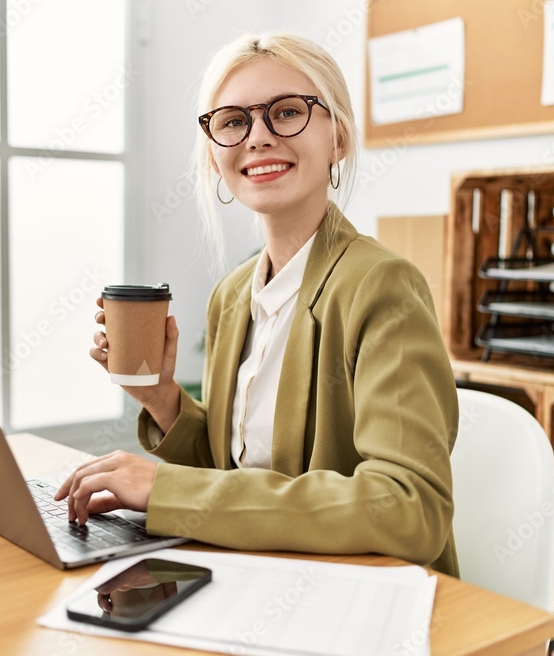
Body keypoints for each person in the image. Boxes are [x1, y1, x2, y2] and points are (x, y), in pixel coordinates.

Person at [55, 32, 459, 576]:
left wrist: (165, 487)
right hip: (253, 576)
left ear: (338, 138)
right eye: (232, 121)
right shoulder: (233, 296)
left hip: (358, 599)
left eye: (287, 112)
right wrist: (163, 400)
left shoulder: (382, 286)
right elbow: (235, 475)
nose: (259, 137)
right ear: (215, 154)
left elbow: (410, 509)